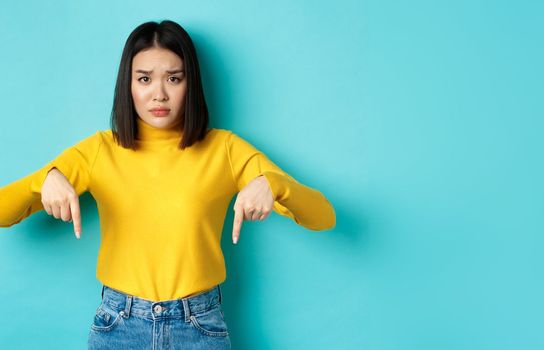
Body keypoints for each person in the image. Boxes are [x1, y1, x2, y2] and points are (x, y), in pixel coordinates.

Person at [0, 20, 336, 349]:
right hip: (119, 326)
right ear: (128, 84)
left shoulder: (226, 150)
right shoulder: (99, 150)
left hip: (199, 327)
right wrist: (44, 180)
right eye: (144, 79)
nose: (159, 94)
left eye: (173, 78)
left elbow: (324, 217)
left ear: (190, 84)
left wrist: (274, 184)